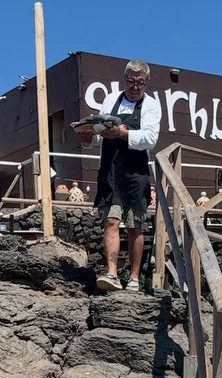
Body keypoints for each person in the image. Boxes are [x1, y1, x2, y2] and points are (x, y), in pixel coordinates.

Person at [75, 59, 162, 292]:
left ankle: (133, 277)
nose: (135, 87)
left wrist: (121, 133)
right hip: (111, 169)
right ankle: (112, 273)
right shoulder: (111, 100)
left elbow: (150, 138)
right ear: (125, 80)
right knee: (111, 220)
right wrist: (88, 139)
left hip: (136, 172)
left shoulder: (152, 105)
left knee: (135, 225)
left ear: (147, 83)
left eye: (140, 83)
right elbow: (99, 131)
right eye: (132, 82)